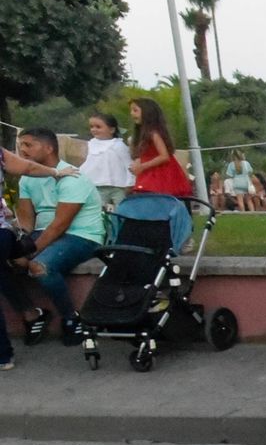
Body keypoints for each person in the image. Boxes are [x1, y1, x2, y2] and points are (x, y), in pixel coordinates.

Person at [11, 128, 107, 346]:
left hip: (81, 236)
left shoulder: (72, 177)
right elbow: (26, 223)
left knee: (40, 266)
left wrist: (30, 252)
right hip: (44, 232)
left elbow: (59, 225)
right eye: (20, 145)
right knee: (4, 259)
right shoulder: (27, 178)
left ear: (49, 148)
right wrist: (16, 244)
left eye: (28, 145)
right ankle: (32, 314)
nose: (22, 150)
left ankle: (71, 318)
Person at [128, 98, 192, 198]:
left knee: (157, 197)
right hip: (148, 172)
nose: (132, 113)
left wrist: (142, 166)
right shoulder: (141, 135)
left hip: (160, 174)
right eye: (131, 110)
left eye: (135, 110)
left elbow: (164, 156)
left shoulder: (154, 134)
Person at [81, 113, 134, 210]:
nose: (94, 129)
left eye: (98, 127)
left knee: (121, 210)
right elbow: (87, 165)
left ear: (112, 130)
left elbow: (129, 164)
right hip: (97, 186)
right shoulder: (91, 145)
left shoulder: (118, 145)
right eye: (92, 127)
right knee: (99, 211)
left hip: (119, 187)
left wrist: (130, 184)